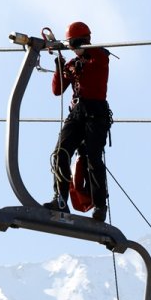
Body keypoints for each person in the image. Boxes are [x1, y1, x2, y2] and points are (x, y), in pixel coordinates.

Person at [43, 21, 113, 222]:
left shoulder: (99, 56)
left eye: (74, 43)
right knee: (60, 153)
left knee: (93, 159)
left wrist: (82, 54)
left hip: (95, 113)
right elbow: (58, 90)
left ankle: (100, 206)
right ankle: (60, 199)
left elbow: (96, 60)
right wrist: (59, 66)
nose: (73, 48)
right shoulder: (74, 64)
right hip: (77, 113)